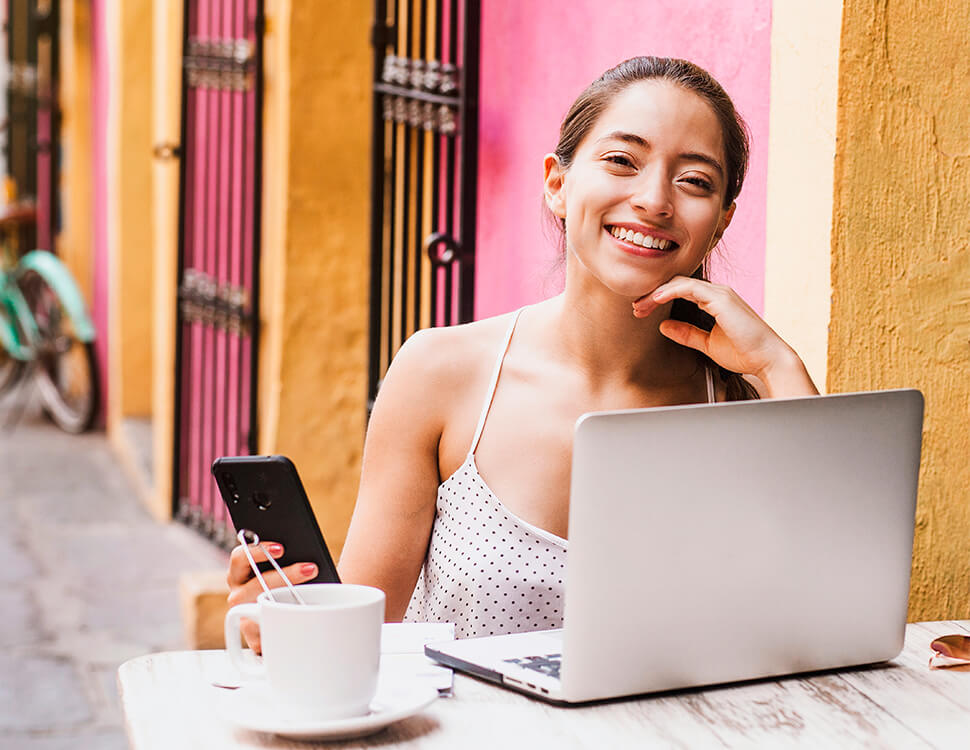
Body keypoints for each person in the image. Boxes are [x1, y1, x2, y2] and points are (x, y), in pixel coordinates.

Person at [227, 56, 818, 648]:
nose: (655, 200)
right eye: (621, 161)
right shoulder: (440, 374)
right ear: (558, 185)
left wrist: (778, 367)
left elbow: (819, 613)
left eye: (693, 180)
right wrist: (284, 626)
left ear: (720, 222)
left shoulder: (747, 401)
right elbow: (359, 643)